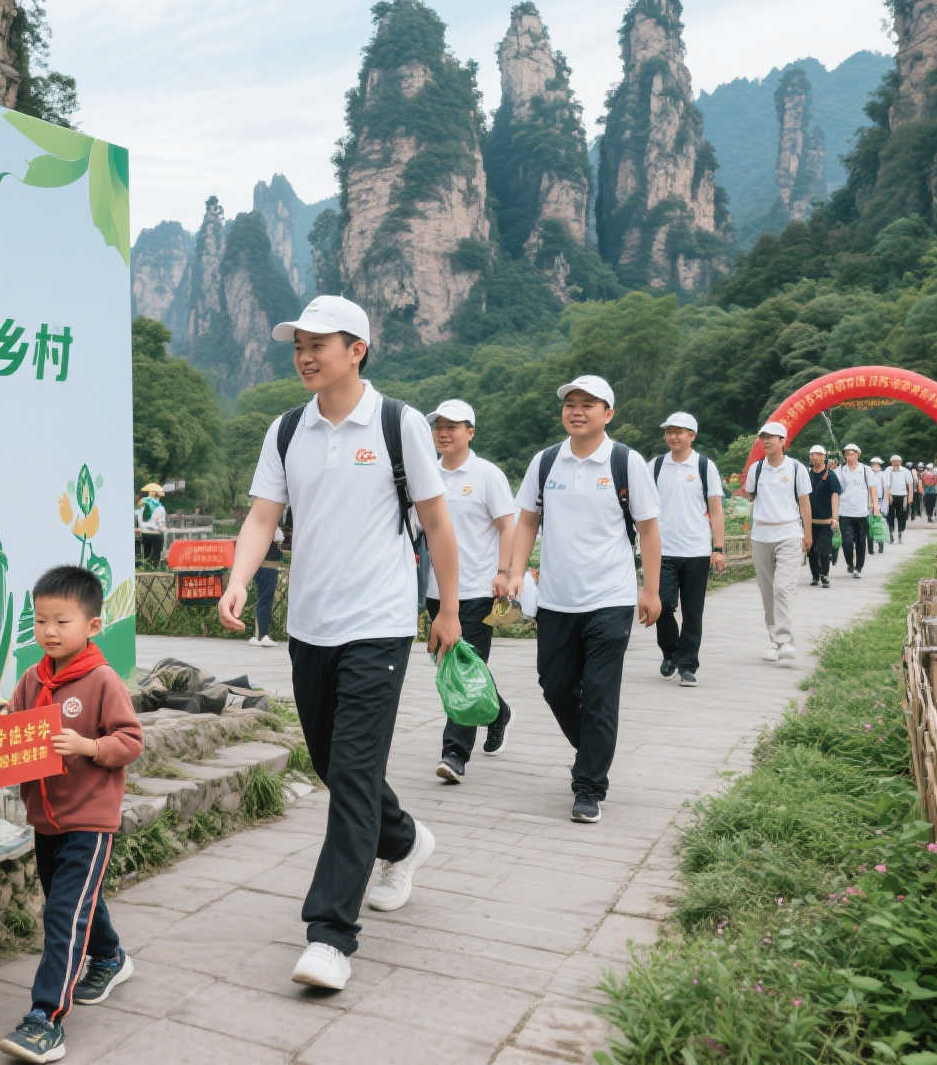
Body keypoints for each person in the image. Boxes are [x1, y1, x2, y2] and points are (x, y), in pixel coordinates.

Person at [215, 293, 462, 993]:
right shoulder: (287, 429)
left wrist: (447, 608)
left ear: (357, 349)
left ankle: (329, 934)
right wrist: (238, 581)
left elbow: (438, 525)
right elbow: (264, 516)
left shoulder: (397, 423)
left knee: (352, 772)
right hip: (311, 625)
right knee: (330, 761)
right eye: (298, 344)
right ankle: (405, 840)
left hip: (380, 622)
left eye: (319, 343)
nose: (304, 355)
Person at [0, 567, 144, 1064]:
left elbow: (130, 741)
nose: (50, 631)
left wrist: (88, 746)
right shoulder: (32, 677)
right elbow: (13, 726)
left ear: (93, 626)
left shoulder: (102, 680)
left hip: (89, 820)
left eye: (62, 620)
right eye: (40, 621)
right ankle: (108, 956)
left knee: (63, 912)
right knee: (75, 899)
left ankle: (45, 1019)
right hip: (45, 819)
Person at [501, 375, 662, 826]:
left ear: (607, 413)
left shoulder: (626, 463)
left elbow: (648, 529)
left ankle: (589, 784)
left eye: (588, 404)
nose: (577, 410)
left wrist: (649, 590)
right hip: (555, 599)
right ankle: (595, 749)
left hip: (609, 598)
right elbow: (527, 519)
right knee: (554, 685)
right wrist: (515, 572)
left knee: (599, 697)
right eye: (570, 403)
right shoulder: (547, 461)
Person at [423, 398, 516, 782]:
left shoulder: (487, 475)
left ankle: (455, 752)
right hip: (435, 590)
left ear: (470, 432)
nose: (444, 432)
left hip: (477, 589)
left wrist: (504, 571)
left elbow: (508, 525)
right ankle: (499, 711)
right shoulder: (426, 473)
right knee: (457, 665)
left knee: (462, 668)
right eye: (439, 425)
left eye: (453, 426)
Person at [650, 412, 724, 688]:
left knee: (693, 612)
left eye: (679, 432)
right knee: (663, 606)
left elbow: (716, 509)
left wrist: (718, 548)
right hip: (663, 550)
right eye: (669, 431)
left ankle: (688, 665)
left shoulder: (705, 466)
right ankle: (671, 652)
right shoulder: (655, 466)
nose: (673, 436)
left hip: (696, 550)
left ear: (692, 435)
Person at [743, 423, 812, 663]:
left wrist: (808, 534)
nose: (767, 442)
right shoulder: (756, 469)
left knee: (784, 587)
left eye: (772, 437)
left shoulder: (796, 468)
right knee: (767, 591)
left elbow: (804, 503)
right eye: (763, 438)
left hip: (789, 534)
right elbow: (751, 495)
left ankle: (785, 640)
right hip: (761, 536)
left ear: (783, 441)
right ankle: (773, 640)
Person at [833, 443, 879, 580]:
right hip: (845, 512)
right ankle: (849, 563)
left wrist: (875, 507)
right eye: (847, 454)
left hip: (861, 512)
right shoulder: (840, 470)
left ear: (858, 454)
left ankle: (858, 567)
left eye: (852, 453)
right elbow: (835, 492)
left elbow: (873, 490)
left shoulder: (866, 470)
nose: (849, 456)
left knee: (860, 541)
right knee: (846, 541)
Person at [804, 445, 842, 589]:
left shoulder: (830, 475)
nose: (815, 457)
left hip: (826, 521)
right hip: (809, 521)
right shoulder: (807, 474)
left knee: (824, 549)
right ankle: (815, 575)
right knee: (811, 549)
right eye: (812, 455)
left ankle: (824, 574)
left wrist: (835, 517)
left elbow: (835, 496)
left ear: (824, 457)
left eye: (818, 455)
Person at [251, 525, 284, 647]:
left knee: (263, 600)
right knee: (265, 601)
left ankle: (259, 634)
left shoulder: (260, 527)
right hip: (267, 568)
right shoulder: (270, 527)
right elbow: (278, 537)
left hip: (264, 567)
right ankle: (262, 635)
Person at [883, 456, 914, 545]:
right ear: (891, 462)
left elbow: (910, 485)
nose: (896, 463)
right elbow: (886, 485)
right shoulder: (887, 471)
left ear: (901, 462)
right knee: (890, 516)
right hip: (891, 496)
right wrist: (887, 496)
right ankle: (891, 533)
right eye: (894, 462)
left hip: (903, 496)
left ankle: (900, 533)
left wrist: (910, 498)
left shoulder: (906, 471)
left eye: (898, 462)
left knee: (902, 516)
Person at [135, 484, 167, 566]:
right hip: (155, 534)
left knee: (146, 553)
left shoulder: (140, 505)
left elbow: (137, 518)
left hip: (144, 533)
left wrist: (138, 528)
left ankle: (145, 567)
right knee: (156, 555)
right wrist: (164, 528)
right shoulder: (160, 507)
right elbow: (160, 523)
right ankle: (154, 567)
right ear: (157, 497)